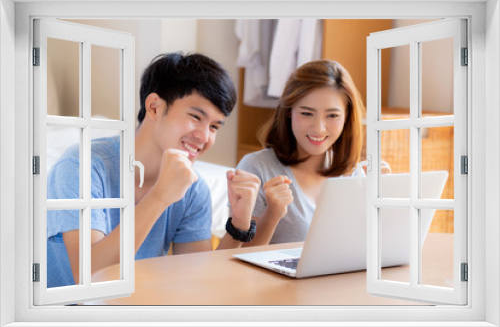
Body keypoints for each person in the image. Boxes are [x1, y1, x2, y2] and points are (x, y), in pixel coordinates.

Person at [47, 52, 260, 288]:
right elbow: (90, 275)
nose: (204, 136)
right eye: (195, 117)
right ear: (154, 107)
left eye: (214, 126)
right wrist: (160, 196)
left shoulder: (193, 188)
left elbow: (197, 282)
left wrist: (238, 226)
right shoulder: (81, 166)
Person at [237, 59, 388, 246]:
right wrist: (272, 215)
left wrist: (382, 197)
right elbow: (239, 258)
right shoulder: (257, 168)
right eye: (307, 113)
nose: (319, 128)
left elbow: (365, 247)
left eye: (332, 115)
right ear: (289, 111)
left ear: (347, 117)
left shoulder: (352, 174)